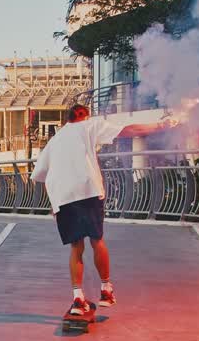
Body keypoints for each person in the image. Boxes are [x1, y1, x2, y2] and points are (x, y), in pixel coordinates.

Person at [30, 103, 174, 319]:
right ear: (85, 116)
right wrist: (162, 126)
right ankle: (106, 289)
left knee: (76, 248)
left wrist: (54, 202)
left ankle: (78, 298)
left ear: (67, 119)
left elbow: (39, 173)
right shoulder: (89, 125)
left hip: (63, 197)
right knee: (97, 240)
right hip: (88, 190)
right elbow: (129, 130)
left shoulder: (55, 139)